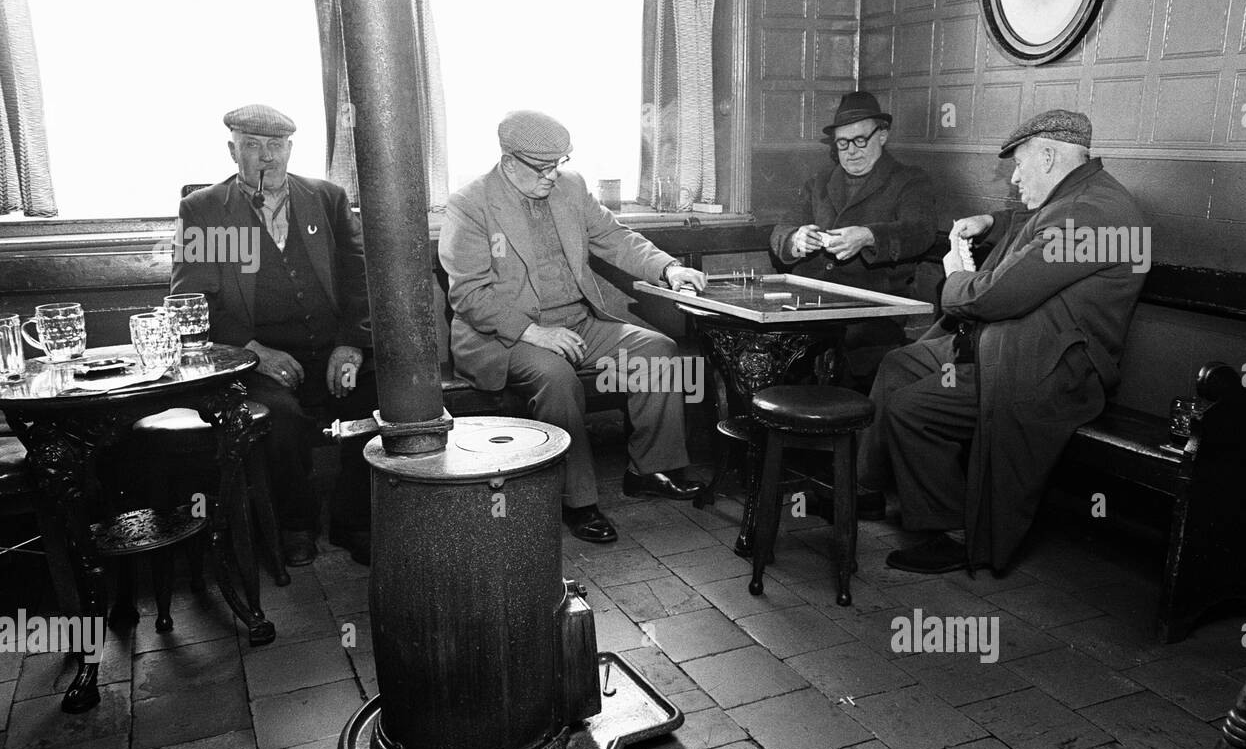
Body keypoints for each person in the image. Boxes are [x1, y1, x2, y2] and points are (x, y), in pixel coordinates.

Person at [860, 109, 1147, 574]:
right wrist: (991, 222)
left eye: (1019, 165)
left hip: (1050, 372)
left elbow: (997, 295)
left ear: (1050, 156)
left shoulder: (1094, 216)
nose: (1014, 178)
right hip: (1012, 347)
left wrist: (954, 281)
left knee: (913, 407)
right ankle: (866, 490)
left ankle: (954, 530)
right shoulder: (1088, 195)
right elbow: (1037, 222)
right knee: (899, 365)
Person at [439, 110, 706, 543]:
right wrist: (533, 333)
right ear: (509, 162)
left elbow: (617, 238)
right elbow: (468, 296)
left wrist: (668, 268)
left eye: (560, 162)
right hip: (503, 336)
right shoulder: (469, 205)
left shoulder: (571, 187)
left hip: (575, 322)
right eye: (543, 167)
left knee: (659, 351)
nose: (553, 175)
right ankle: (577, 501)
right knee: (557, 377)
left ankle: (652, 470)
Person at [171, 104, 377, 567]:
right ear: (232, 150)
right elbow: (194, 300)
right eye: (252, 146)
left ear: (289, 149)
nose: (266, 157)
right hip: (252, 358)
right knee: (277, 416)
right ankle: (295, 524)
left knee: (378, 396)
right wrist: (253, 351)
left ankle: (356, 521)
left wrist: (350, 342)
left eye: (275, 146)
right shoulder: (208, 211)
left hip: (331, 347)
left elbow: (359, 276)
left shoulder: (326, 198)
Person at [770, 91, 938, 390]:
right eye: (843, 143)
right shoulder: (819, 181)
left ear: (882, 135)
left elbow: (920, 231)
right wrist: (797, 239)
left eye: (861, 140)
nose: (851, 151)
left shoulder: (909, 181)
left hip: (868, 317)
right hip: (808, 307)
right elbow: (782, 229)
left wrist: (868, 236)